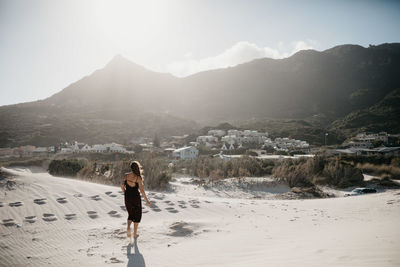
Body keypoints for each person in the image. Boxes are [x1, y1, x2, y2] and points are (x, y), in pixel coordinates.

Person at [121, 161, 151, 238]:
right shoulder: (138, 178)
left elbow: (121, 186)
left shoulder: (126, 176)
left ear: (131, 168)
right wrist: (147, 201)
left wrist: (126, 193)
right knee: (137, 215)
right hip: (136, 198)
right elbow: (142, 191)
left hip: (127, 197)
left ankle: (128, 228)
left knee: (130, 214)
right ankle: (134, 234)